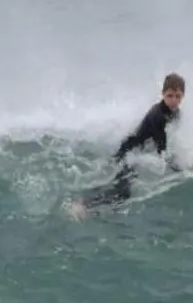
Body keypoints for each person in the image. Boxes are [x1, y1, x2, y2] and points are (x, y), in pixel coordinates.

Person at [72, 72, 185, 214]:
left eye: (178, 96)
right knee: (123, 193)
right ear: (162, 94)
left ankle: (86, 201)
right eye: (170, 96)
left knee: (117, 185)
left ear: (183, 97)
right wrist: (179, 169)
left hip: (133, 151)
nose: (174, 100)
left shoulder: (175, 112)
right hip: (127, 152)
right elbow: (162, 151)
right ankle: (83, 205)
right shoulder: (158, 116)